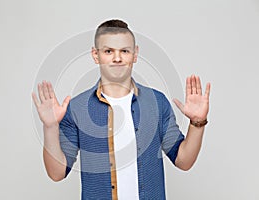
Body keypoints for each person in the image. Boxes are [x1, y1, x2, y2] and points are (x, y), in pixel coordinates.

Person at [32, 19, 211, 200]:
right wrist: (50, 127)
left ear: (135, 54)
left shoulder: (157, 102)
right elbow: (57, 173)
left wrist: (197, 123)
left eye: (124, 51)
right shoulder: (77, 108)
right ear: (96, 55)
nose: (117, 58)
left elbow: (184, 161)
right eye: (108, 51)